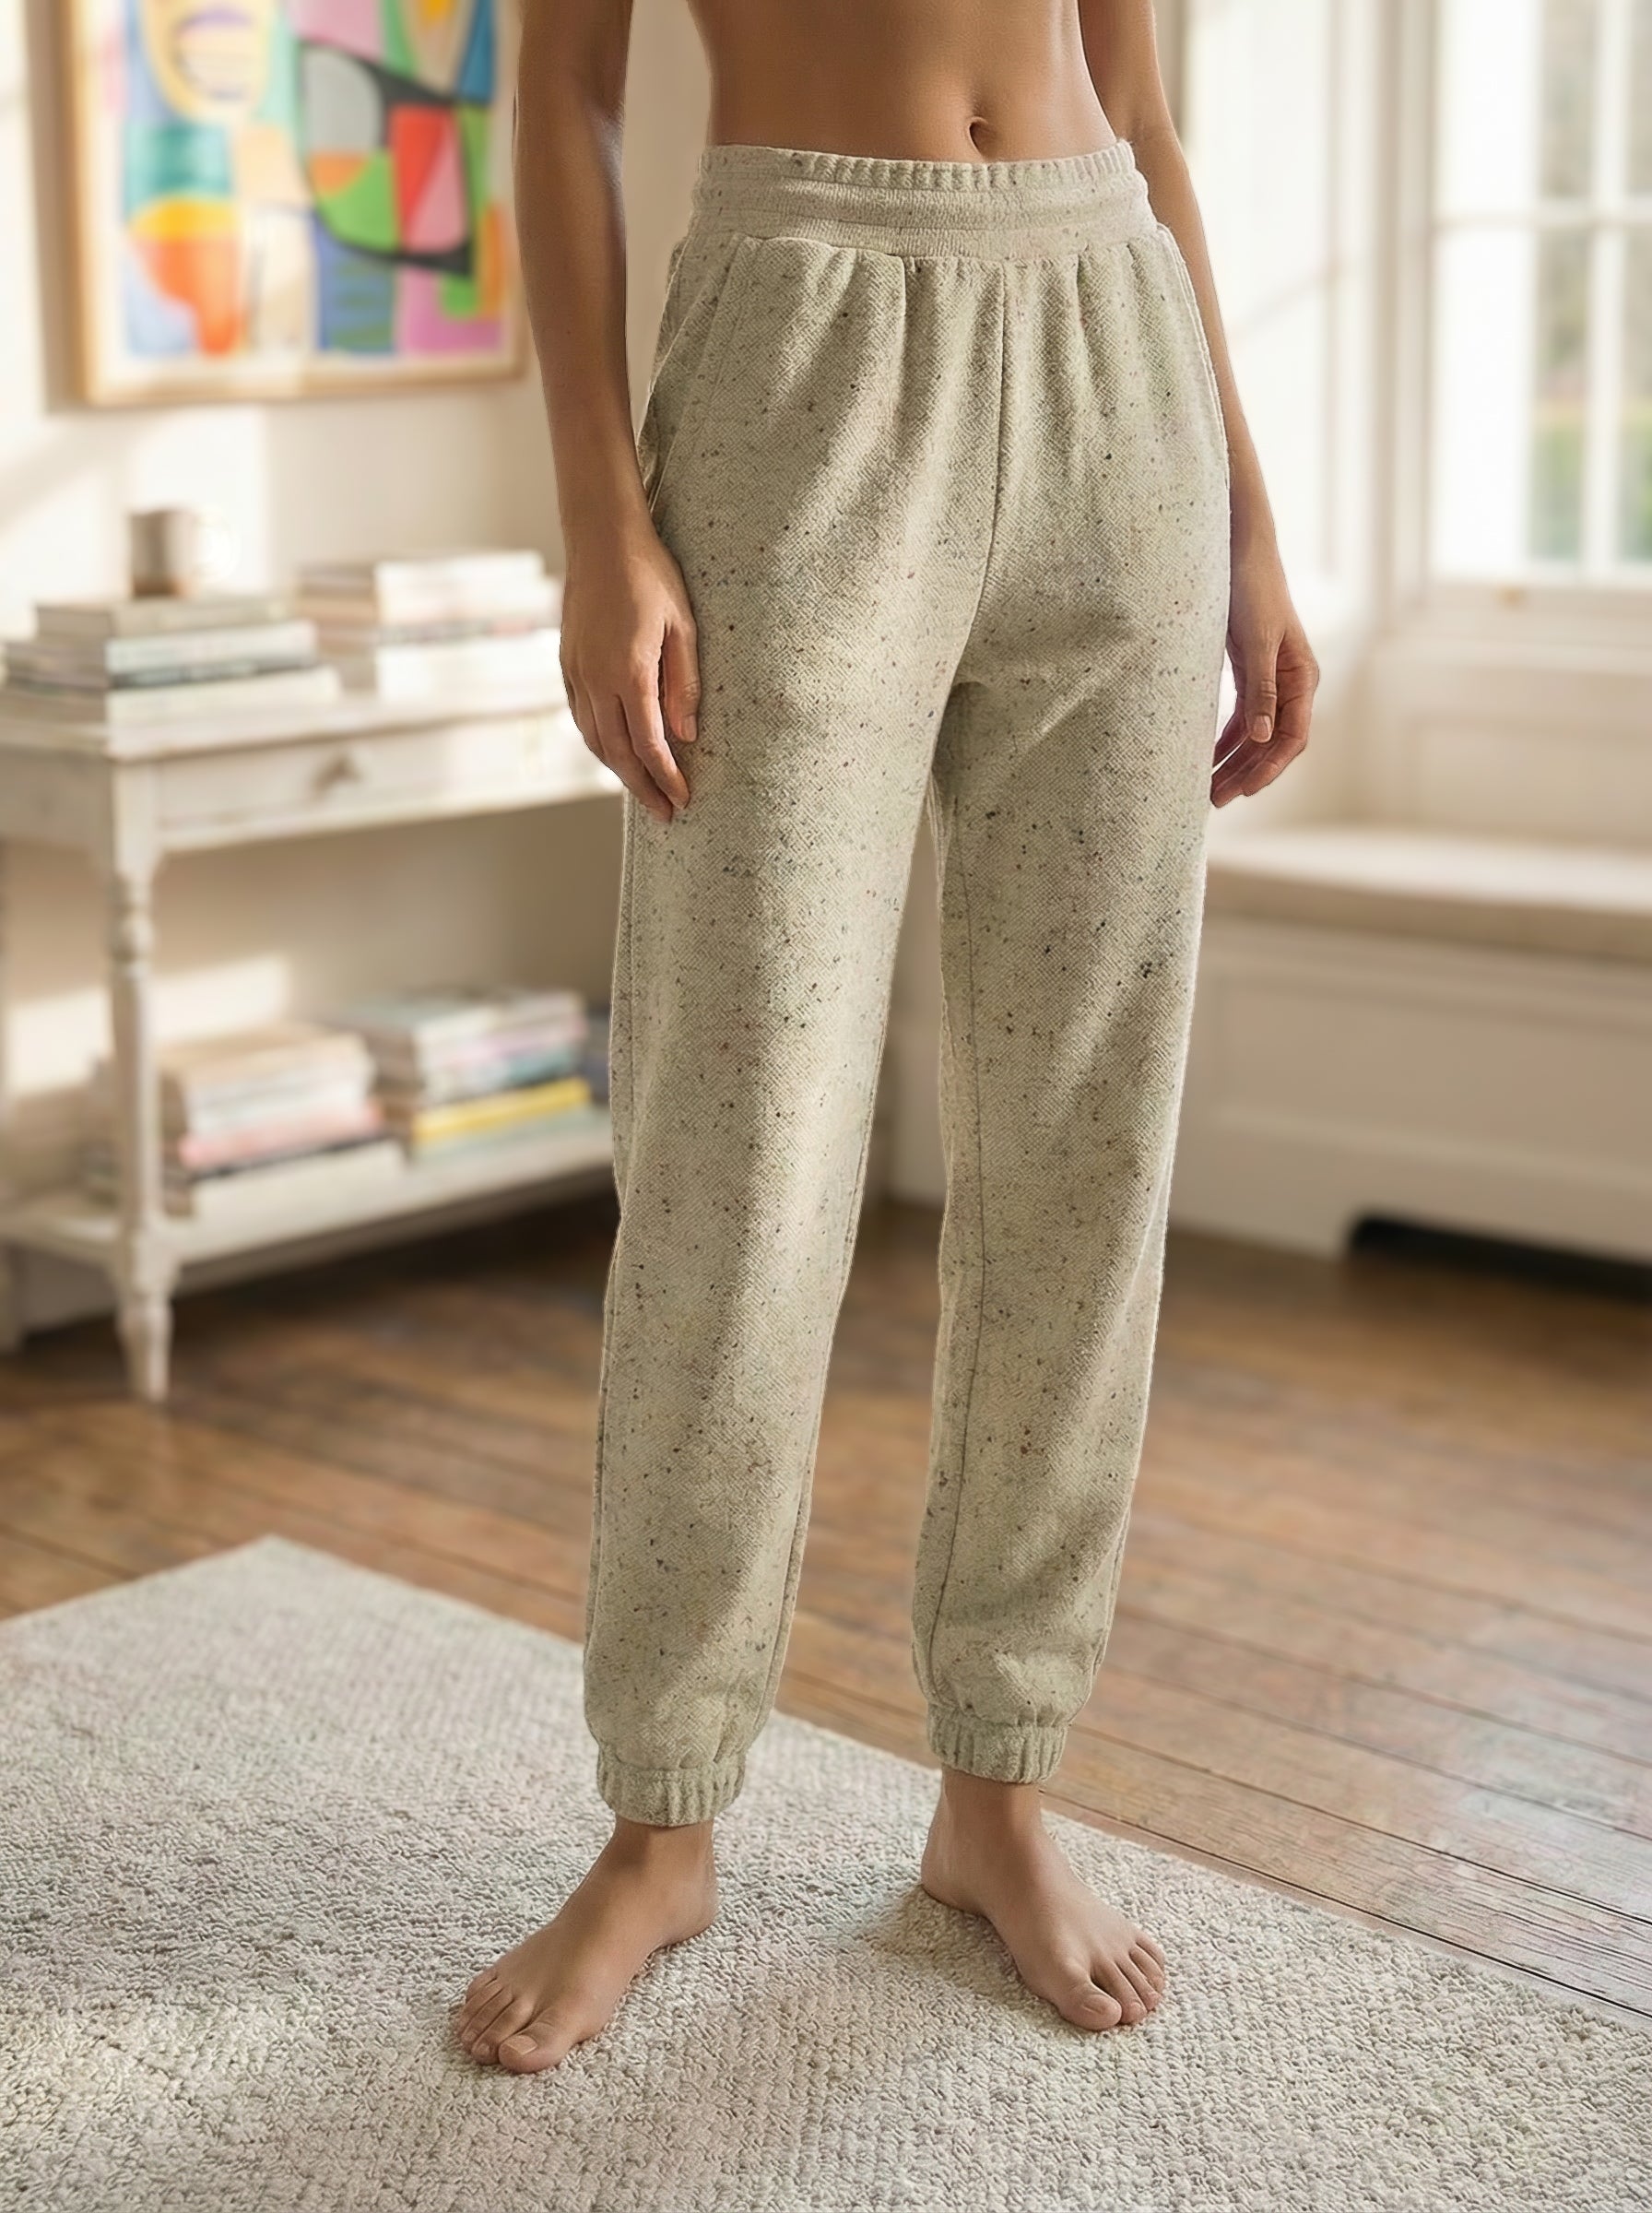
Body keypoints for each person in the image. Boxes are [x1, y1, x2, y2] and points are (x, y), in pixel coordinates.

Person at [457, 0, 1317, 2075]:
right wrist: (603, 520)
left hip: (1112, 361)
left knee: (1080, 1152)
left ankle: (996, 1789)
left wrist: (1251, 522)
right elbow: (561, 100)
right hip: (797, 361)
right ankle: (661, 1823)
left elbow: (1140, 110)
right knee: (732, 1155)